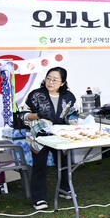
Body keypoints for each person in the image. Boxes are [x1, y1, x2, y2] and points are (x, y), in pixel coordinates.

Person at [18, 67, 77, 209]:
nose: (50, 82)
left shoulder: (68, 97)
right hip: (40, 136)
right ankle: (39, 198)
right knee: (39, 166)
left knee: (63, 163)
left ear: (63, 83)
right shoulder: (35, 95)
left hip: (59, 135)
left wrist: (73, 122)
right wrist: (37, 115)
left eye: (55, 80)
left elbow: (71, 114)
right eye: (48, 78)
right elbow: (23, 115)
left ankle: (65, 189)